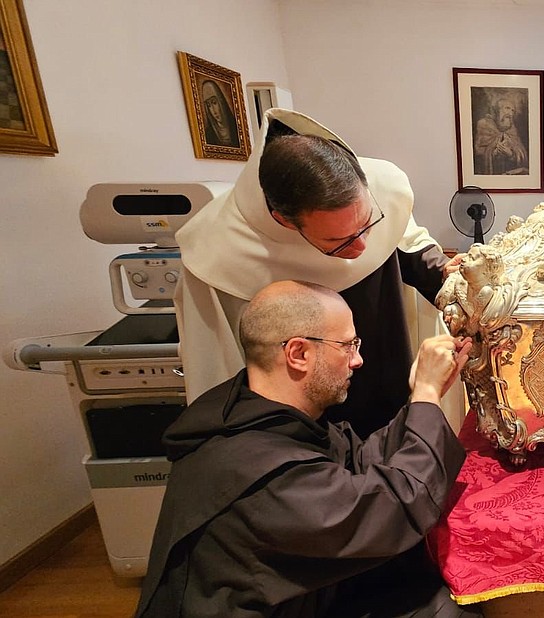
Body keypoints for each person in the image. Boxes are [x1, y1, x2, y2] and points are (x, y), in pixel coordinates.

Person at [135, 280, 478, 617]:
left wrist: (419, 398)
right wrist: (427, 397)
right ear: (298, 353)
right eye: (348, 345)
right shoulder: (253, 469)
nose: (357, 360)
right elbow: (393, 510)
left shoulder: (258, 413)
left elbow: (356, 463)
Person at [174, 108, 459, 438]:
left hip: (386, 357)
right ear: (285, 221)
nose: (363, 248)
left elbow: (407, 245)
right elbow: (215, 362)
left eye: (368, 224)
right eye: (339, 243)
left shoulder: (381, 187)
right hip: (298, 420)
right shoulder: (217, 248)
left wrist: (447, 275)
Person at [473, 94, 528, 175]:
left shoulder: (513, 130)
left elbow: (523, 156)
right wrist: (494, 152)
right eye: (507, 108)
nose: (510, 113)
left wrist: (511, 154)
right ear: (497, 110)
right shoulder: (484, 125)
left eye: (513, 110)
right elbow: (477, 154)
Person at [200, 79, 239, 147]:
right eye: (209, 106)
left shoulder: (237, 128)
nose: (213, 110)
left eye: (214, 103)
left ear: (221, 101)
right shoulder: (208, 135)